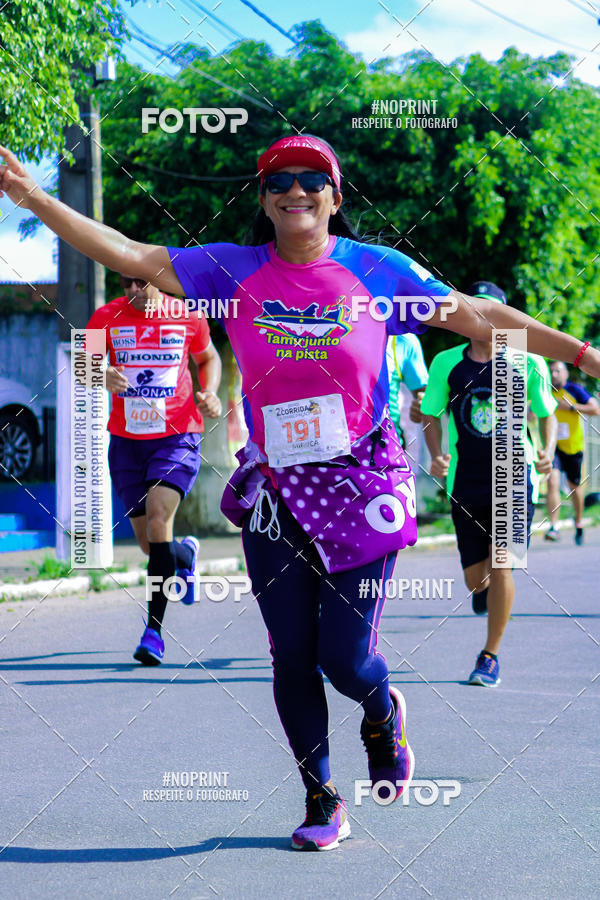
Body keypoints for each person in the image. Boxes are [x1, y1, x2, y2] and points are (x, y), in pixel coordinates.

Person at [2, 138, 599, 851]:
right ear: (264, 198)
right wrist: (32, 198)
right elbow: (129, 253)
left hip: (360, 482)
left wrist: (584, 355)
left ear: (335, 196)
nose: (295, 190)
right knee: (291, 654)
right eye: (278, 181)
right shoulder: (233, 271)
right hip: (274, 488)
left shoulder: (378, 270)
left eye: (312, 179)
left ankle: (381, 711)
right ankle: (322, 800)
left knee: (347, 659)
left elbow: (479, 316)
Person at [420, 281, 558, 687]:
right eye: (476, 311)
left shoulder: (526, 360)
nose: (484, 320)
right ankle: (482, 593)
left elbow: (545, 411)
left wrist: (547, 448)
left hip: (515, 475)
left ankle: (489, 655)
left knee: (504, 564)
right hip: (467, 478)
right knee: (475, 579)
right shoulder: (447, 362)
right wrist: (436, 454)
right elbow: (431, 413)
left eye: (492, 312)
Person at [86, 275, 222, 665]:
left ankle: (153, 633)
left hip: (176, 436)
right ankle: (184, 555)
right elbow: (84, 365)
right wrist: (101, 374)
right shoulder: (105, 317)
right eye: (127, 283)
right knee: (150, 544)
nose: (134, 290)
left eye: (142, 282)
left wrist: (209, 392)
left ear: (160, 282)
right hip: (127, 443)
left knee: (160, 522)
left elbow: (208, 357)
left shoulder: (188, 314)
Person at [545, 360, 599, 544]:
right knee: (552, 481)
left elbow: (595, 408)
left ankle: (578, 522)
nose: (554, 375)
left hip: (573, 446)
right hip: (553, 446)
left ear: (565, 374)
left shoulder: (574, 390)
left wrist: (569, 407)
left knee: (574, 487)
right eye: (551, 371)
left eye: (557, 371)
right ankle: (554, 527)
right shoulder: (545, 390)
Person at [386, 333, 428, 447]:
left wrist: (422, 406)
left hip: (388, 449)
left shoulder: (402, 339)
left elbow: (426, 396)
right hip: (337, 450)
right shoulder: (335, 332)